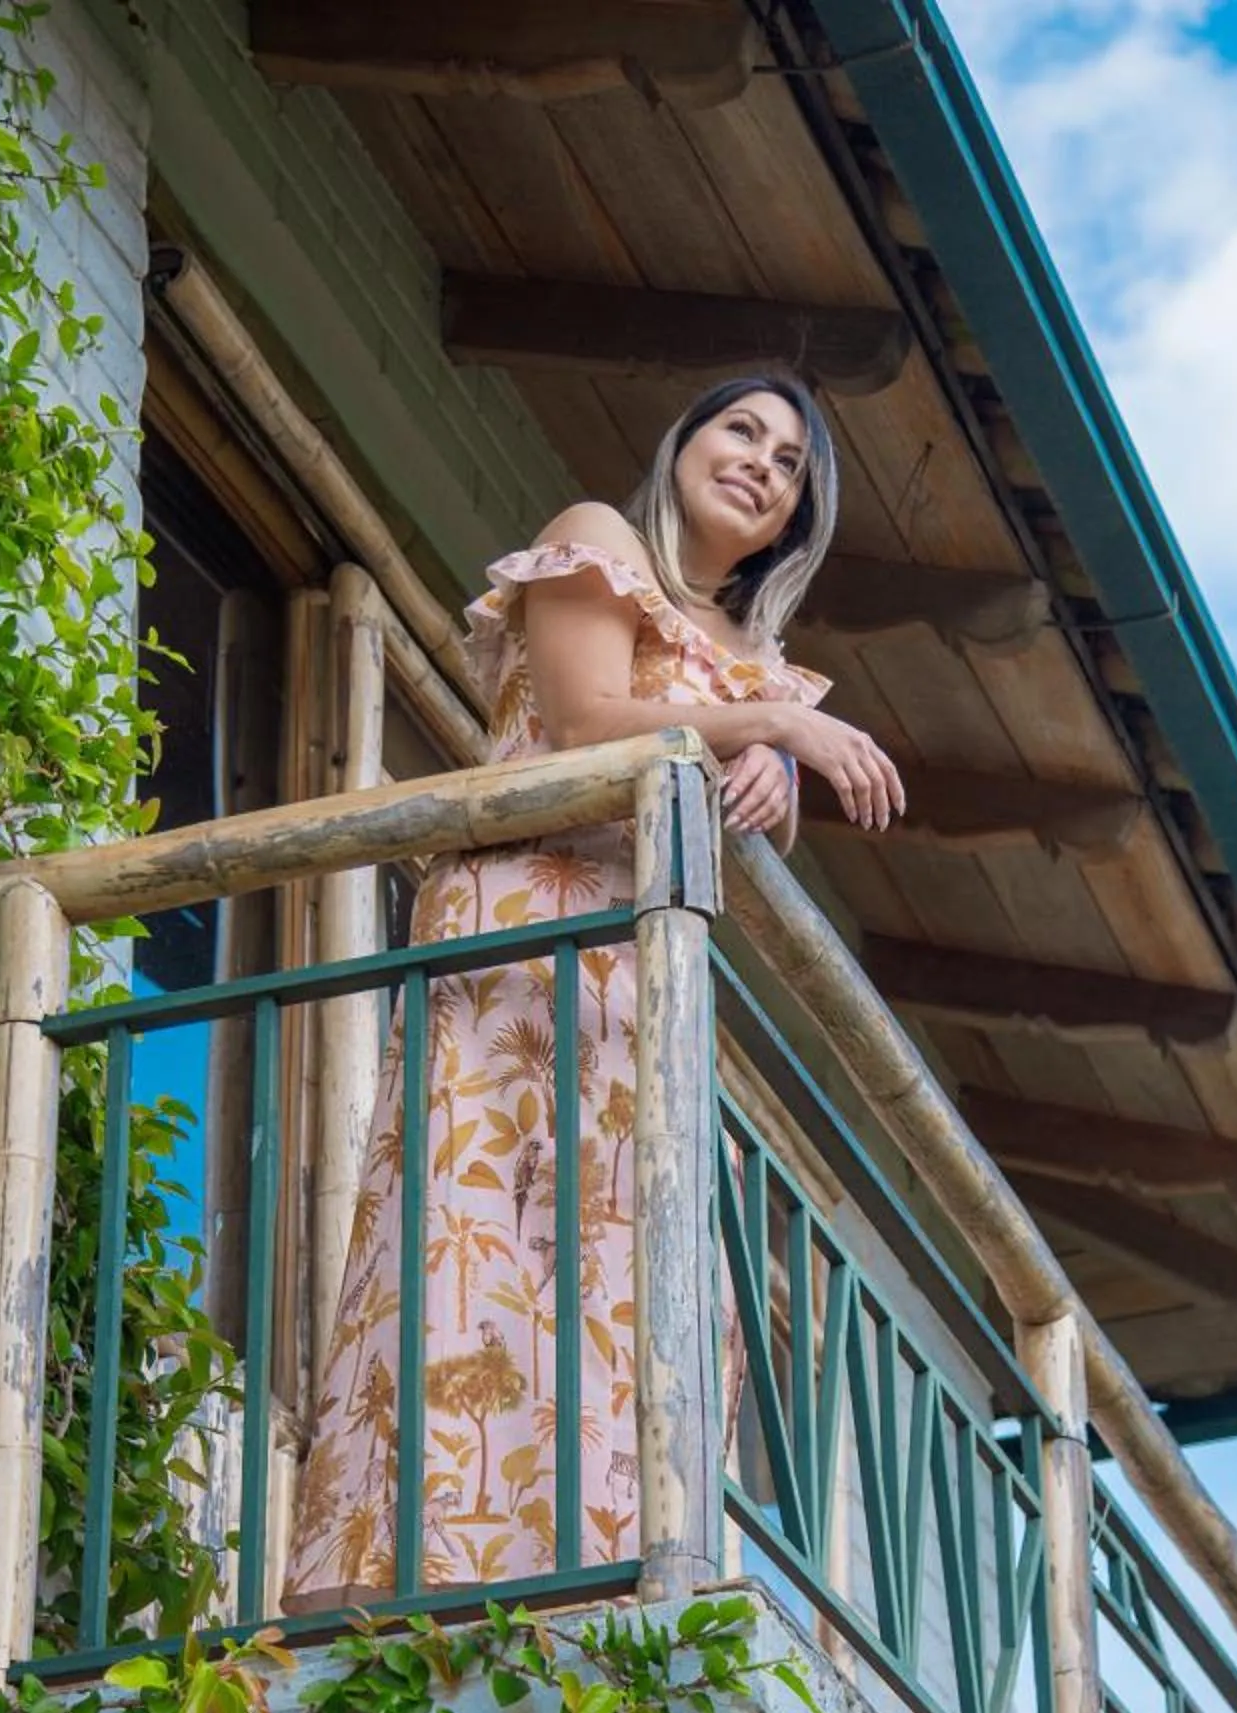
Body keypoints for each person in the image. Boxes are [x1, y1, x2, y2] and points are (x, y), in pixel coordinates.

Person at [284, 376, 906, 1608]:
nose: (762, 465)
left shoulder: (755, 662)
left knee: (621, 1266)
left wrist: (768, 742)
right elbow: (580, 721)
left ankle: (576, 1582)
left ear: (793, 522)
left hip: (640, 973)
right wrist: (771, 726)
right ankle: (392, 1578)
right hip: (523, 924)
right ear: (685, 440)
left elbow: (720, 774)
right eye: (742, 430)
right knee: (472, 1243)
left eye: (791, 465)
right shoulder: (602, 541)